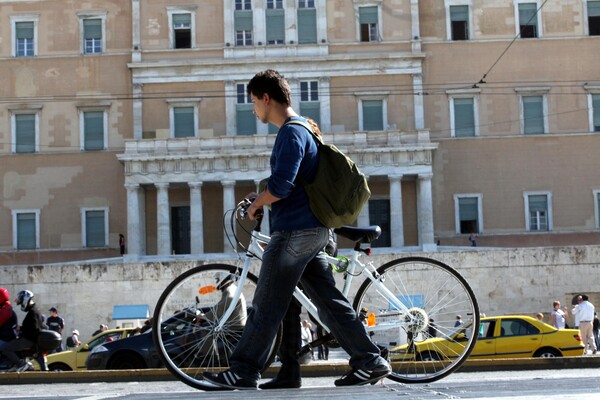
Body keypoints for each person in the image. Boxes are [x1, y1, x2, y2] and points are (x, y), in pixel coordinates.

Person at [202, 69, 390, 390]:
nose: (253, 110)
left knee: (265, 303)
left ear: (266, 98)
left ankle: (244, 369)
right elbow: (292, 183)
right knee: (328, 304)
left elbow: (282, 185)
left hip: (294, 233)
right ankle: (369, 360)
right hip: (312, 232)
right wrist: (260, 196)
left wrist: (257, 204)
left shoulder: (290, 133)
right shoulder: (304, 129)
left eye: (253, 102)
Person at [0, 290, 42, 372]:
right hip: (28, 338)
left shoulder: (33, 312)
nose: (20, 303)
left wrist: (21, 332)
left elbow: (34, 329)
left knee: (5, 348)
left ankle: (21, 364)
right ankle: (17, 364)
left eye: (21, 300)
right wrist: (21, 328)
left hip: (29, 340)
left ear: (25, 300)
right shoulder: (33, 311)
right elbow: (31, 327)